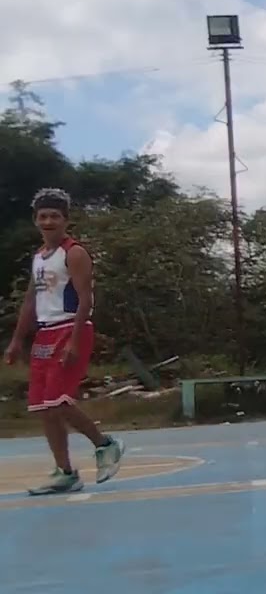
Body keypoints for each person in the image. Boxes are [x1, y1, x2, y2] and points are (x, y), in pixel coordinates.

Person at [3, 188, 125, 495]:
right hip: (45, 332)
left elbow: (86, 299)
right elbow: (31, 300)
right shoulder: (38, 258)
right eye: (43, 216)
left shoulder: (74, 253)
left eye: (55, 216)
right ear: (35, 220)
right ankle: (65, 472)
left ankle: (106, 444)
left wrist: (74, 340)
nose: (48, 221)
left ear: (65, 220)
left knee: (59, 400)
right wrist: (16, 341)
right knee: (44, 407)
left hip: (71, 327)